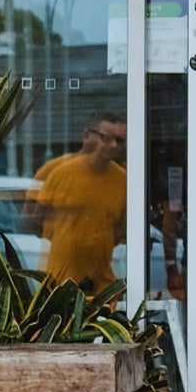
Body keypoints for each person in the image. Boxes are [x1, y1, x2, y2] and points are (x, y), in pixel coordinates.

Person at [33, 114, 128, 288]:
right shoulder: (57, 171)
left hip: (101, 284)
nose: (114, 145)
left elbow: (120, 228)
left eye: (120, 140)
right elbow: (34, 218)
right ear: (86, 136)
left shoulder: (123, 180)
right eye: (106, 138)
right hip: (60, 282)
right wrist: (66, 238)